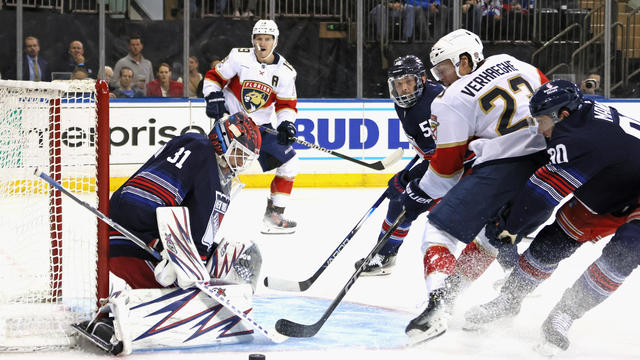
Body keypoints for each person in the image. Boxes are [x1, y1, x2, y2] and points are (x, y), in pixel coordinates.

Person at [461, 80, 640, 354]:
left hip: (626, 190)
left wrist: (511, 226)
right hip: (613, 186)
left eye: (542, 121)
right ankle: (510, 299)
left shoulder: (575, 140)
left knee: (628, 249)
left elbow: (542, 195)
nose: (540, 129)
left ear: (563, 115)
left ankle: (565, 314)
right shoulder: (583, 113)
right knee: (554, 242)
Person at [399, 29, 549, 344]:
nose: (441, 78)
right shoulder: (511, 62)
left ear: (464, 61)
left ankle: (437, 305)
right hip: (549, 170)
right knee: (491, 238)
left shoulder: (450, 99)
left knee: (438, 231)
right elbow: (552, 97)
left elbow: (446, 170)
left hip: (504, 166)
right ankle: (452, 296)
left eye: (444, 70)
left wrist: (417, 192)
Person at [75, 113, 263, 354]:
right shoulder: (211, 168)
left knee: (178, 275)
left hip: (117, 229)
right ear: (225, 140)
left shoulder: (189, 140)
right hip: (135, 245)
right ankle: (115, 317)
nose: (240, 163)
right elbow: (200, 235)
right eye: (239, 153)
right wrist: (190, 263)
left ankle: (112, 314)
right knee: (184, 292)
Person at [202, 19, 299, 234]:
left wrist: (286, 124)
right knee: (219, 173)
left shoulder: (285, 72)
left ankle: (274, 216)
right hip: (231, 125)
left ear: (275, 41)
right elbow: (213, 77)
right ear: (252, 40)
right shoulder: (239, 56)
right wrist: (213, 96)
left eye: (267, 39)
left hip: (259, 129)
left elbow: (286, 104)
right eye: (258, 38)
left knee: (291, 164)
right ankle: (203, 217)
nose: (262, 43)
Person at [354, 55, 446, 275]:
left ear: (421, 79)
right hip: (441, 168)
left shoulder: (436, 102)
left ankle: (516, 267)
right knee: (400, 203)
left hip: (457, 170)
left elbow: (444, 154)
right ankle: (385, 256)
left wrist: (406, 178)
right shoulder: (405, 102)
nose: (404, 89)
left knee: (484, 223)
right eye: (398, 83)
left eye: (408, 82)